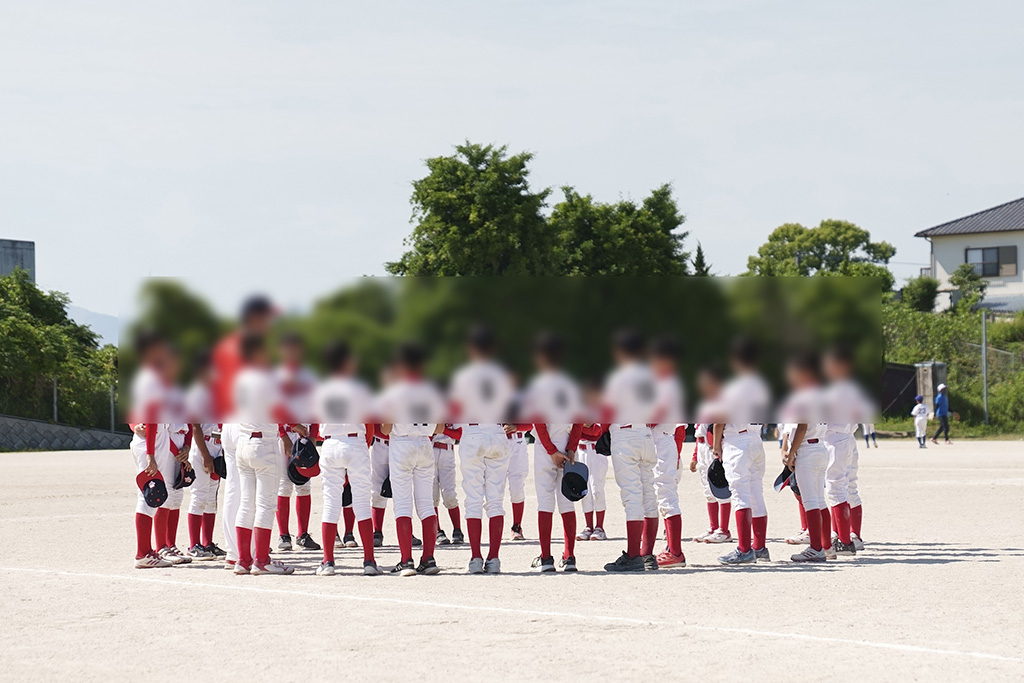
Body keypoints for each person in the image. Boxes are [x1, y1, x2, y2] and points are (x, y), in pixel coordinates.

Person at [449, 325, 516, 575]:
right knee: (496, 500)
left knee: (473, 499)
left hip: (473, 432)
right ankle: (494, 558)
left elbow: (454, 409)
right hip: (497, 431)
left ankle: (476, 557)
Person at [377, 342, 447, 576]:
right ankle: (428, 558)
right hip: (425, 444)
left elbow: (386, 429)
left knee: (403, 504)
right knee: (426, 503)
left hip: (402, 445)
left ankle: (406, 560)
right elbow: (440, 426)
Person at [232, 333, 297, 576]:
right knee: (265, 505)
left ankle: (243, 559)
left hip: (244, 441)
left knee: (246, 503)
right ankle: (261, 560)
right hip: (264, 443)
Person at [521, 332, 584, 572]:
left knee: (545, 502)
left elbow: (538, 422)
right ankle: (569, 557)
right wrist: (569, 449)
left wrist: (550, 451)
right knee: (567, 501)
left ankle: (546, 557)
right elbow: (579, 421)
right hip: (566, 444)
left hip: (545, 448)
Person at [601, 329, 661, 573]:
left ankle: (634, 555)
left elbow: (607, 411)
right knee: (649, 495)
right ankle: (647, 554)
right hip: (646, 433)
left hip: (625, 434)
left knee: (632, 497)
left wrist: (597, 433)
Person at [714, 338, 772, 566]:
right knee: (756, 493)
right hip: (756, 439)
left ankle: (744, 549)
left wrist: (716, 445)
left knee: (740, 495)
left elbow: (720, 419)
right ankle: (760, 547)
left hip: (737, 442)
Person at [128, 332, 174, 569]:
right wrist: (150, 454)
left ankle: (148, 551)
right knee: (148, 495)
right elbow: (151, 420)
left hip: (156, 441)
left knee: (152, 496)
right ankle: (142, 554)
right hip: (151, 444)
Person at [274, 333, 321, 552]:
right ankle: (284, 535)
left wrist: (313, 436)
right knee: (284, 486)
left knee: (304, 485)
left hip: (304, 435)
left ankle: (303, 534)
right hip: (284, 434)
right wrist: (284, 433)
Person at [185, 350, 225, 560]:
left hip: (217, 447)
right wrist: (206, 456)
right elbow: (196, 427)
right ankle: (193, 544)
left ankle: (207, 543)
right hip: (202, 449)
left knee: (211, 499)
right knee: (199, 496)